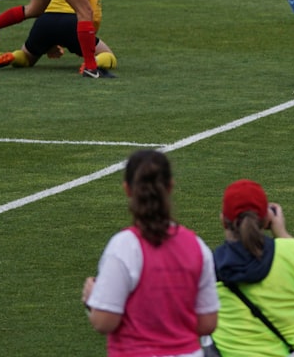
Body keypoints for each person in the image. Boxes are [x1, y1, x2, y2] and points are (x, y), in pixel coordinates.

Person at [82, 150, 220, 353]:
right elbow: (207, 323)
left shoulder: (123, 247)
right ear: (170, 187)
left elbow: (104, 322)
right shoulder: (197, 246)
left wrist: (92, 299)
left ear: (127, 189)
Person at [209, 179, 294, 357]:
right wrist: (283, 234)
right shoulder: (290, 253)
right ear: (266, 220)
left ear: (223, 221)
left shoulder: (207, 268)